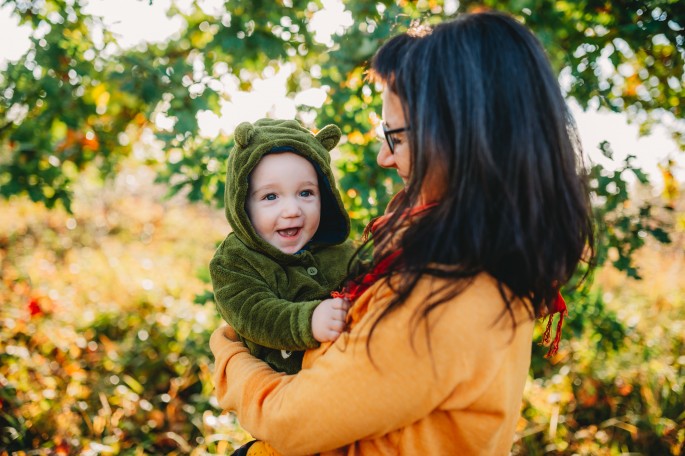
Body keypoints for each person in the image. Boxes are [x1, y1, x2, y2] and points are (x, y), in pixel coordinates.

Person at [210, 10, 595, 455]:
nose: (382, 158)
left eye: (395, 137)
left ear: (462, 137)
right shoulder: (475, 252)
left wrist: (230, 355)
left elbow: (291, 422)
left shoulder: (445, 297)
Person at [209, 118, 356, 375]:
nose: (292, 210)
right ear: (243, 203)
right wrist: (309, 322)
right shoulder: (235, 261)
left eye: (306, 193)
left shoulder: (338, 251)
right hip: (286, 390)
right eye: (271, 196)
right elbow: (253, 313)